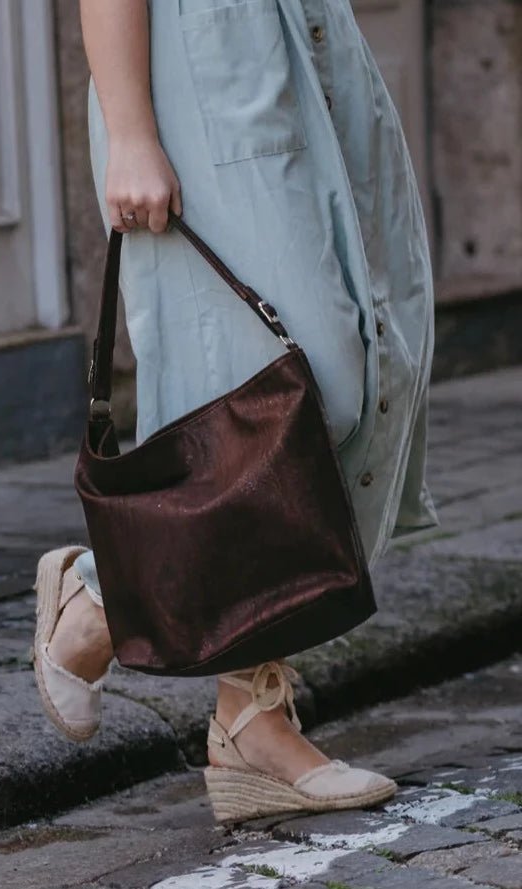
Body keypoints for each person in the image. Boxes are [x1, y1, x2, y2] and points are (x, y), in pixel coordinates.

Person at [33, 0, 440, 823]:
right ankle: (102, 596)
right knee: (285, 388)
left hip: (302, 39)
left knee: (359, 355)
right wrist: (130, 129)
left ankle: (244, 714)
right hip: (199, 66)